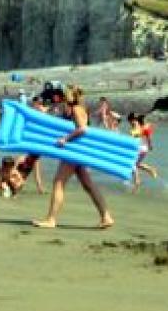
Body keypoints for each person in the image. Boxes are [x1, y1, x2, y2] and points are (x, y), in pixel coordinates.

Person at [32, 85, 113, 230]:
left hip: (74, 151)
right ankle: (106, 217)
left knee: (58, 182)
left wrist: (66, 139)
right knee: (88, 184)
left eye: (60, 95)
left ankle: (51, 219)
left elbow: (82, 128)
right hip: (77, 151)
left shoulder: (76, 109)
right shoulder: (74, 108)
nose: (57, 98)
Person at [127, 112, 159, 190]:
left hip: (140, 148)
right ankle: (150, 170)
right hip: (141, 149)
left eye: (131, 121)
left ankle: (137, 181)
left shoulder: (140, 127)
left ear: (133, 120)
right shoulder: (138, 127)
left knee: (133, 164)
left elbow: (146, 136)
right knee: (136, 164)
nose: (131, 123)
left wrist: (150, 145)